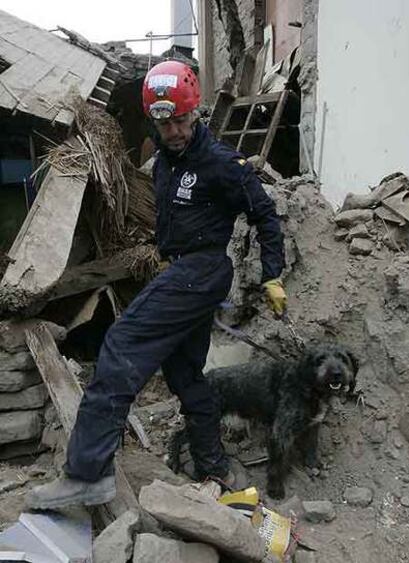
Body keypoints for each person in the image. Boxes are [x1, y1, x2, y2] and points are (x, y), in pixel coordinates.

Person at [26, 61, 286, 510]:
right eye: (165, 123)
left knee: (122, 345)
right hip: (179, 269)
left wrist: (272, 274)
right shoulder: (162, 163)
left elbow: (264, 213)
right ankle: (214, 466)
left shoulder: (223, 164)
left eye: (181, 120)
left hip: (202, 270)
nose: (175, 131)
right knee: (184, 374)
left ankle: (87, 473)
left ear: (196, 112)